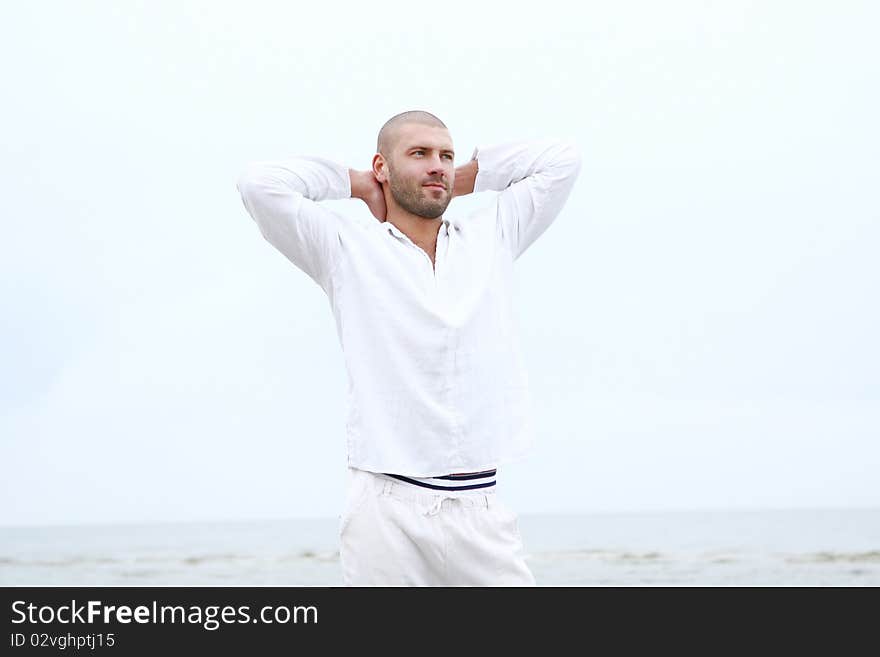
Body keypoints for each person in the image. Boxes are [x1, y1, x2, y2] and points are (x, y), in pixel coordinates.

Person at [236, 110, 582, 585]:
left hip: (478, 507)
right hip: (385, 510)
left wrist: (460, 179)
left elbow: (562, 160)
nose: (436, 164)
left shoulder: (493, 235)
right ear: (383, 166)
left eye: (445, 155)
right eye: (418, 154)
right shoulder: (344, 248)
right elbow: (259, 185)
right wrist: (358, 184)